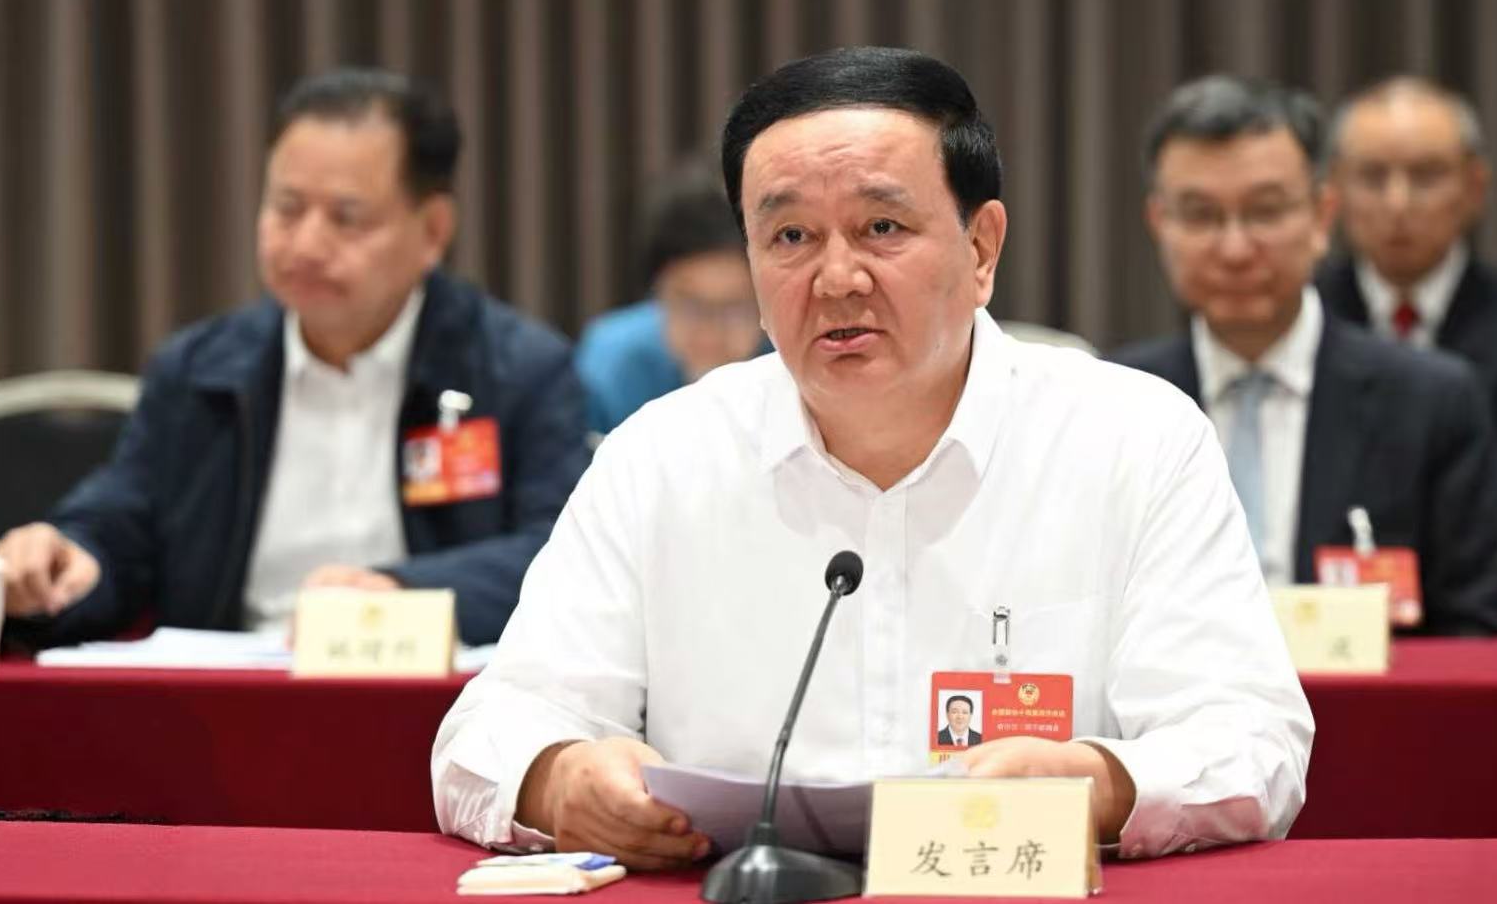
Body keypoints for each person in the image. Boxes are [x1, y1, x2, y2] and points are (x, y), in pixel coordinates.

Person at [433, 46, 1311, 868]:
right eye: (789, 238)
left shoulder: (1134, 440)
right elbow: (489, 728)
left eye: (881, 227)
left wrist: (1102, 781)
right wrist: (559, 776)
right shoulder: (659, 456)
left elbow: (1250, 738)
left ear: (981, 247)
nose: (836, 278)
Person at [0, 68, 590, 649]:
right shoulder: (198, 372)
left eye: (346, 218)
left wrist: (402, 591)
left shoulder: (518, 371)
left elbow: (565, 552)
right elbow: (123, 530)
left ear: (433, 230)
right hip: (230, 694)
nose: (305, 244)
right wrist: (70, 559)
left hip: (428, 695)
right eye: (287, 207)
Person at [1111, 75, 1497, 636]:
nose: (1235, 248)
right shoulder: (1114, 402)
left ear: (1323, 216)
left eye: (1265, 211)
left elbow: (1479, 633)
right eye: (1201, 215)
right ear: (1159, 223)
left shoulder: (1431, 401)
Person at [1316, 76, 1497, 527]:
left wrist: (1446, 540)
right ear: (1334, 191)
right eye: (1373, 177)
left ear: (1475, 187)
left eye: (1425, 176)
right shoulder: (1305, 312)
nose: (1397, 203)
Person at [574, 164, 767, 434]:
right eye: (690, 306)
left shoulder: (791, 359)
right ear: (656, 291)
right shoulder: (614, 362)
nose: (710, 334)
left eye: (735, 308)